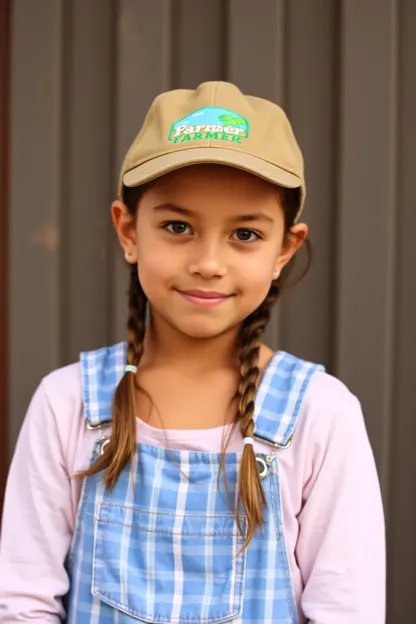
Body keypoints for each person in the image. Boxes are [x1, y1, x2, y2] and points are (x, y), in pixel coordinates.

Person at [0, 81, 385, 623]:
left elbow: (347, 610)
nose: (208, 261)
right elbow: (23, 604)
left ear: (285, 248)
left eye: (245, 234)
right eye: (177, 226)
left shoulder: (322, 414)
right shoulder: (68, 404)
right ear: (129, 231)